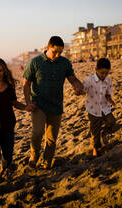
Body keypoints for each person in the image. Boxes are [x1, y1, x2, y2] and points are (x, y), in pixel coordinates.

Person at [23, 36, 84, 169]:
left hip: (56, 105)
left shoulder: (65, 63)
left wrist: (78, 86)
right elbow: (26, 84)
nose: (57, 55)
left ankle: (47, 162)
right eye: (55, 51)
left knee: (51, 139)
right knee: (37, 132)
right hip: (38, 105)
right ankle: (34, 155)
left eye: (60, 52)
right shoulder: (35, 62)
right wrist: (28, 102)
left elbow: (72, 79)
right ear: (47, 48)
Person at [82, 57, 116, 157]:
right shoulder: (89, 80)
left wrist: (110, 100)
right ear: (96, 69)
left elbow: (108, 94)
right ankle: (95, 148)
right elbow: (83, 89)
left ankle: (104, 133)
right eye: (102, 73)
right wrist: (78, 91)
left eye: (106, 73)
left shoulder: (108, 81)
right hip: (93, 110)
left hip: (105, 108)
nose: (104, 75)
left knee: (112, 121)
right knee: (95, 130)